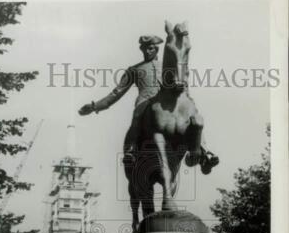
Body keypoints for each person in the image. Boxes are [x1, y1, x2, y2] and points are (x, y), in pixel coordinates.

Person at [79, 35, 218, 174]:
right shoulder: (133, 70)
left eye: (151, 48)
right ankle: (131, 151)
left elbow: (182, 83)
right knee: (137, 116)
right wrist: (94, 106)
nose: (147, 51)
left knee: (192, 113)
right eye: (144, 49)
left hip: (167, 102)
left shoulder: (167, 66)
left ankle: (204, 152)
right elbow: (116, 93)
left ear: (156, 49)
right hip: (145, 101)